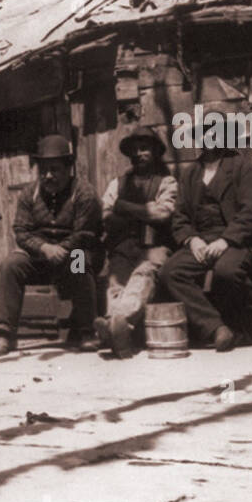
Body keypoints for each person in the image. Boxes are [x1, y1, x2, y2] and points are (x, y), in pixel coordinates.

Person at [0, 134, 103, 357]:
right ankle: (4, 335)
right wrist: (44, 248)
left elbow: (85, 233)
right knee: (11, 264)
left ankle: (88, 332)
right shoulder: (29, 194)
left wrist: (61, 249)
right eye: (43, 170)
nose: (48, 175)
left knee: (79, 260)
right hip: (41, 256)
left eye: (55, 169)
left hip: (73, 256)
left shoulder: (84, 193)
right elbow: (21, 231)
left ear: (69, 168)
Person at [159, 145, 252, 351]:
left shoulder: (244, 169)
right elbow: (179, 217)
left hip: (241, 238)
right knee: (170, 272)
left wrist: (226, 241)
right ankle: (215, 328)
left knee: (226, 271)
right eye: (206, 132)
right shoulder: (191, 173)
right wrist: (191, 239)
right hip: (202, 240)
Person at [93, 125, 178, 358]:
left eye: (145, 149)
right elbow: (105, 214)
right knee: (116, 280)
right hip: (123, 246)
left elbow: (163, 213)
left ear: (155, 152)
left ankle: (117, 324)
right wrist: (144, 210)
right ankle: (117, 330)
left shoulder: (167, 182)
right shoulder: (117, 183)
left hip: (155, 248)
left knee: (143, 276)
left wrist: (124, 207)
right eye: (135, 150)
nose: (139, 154)